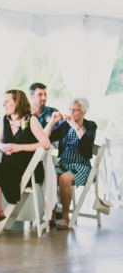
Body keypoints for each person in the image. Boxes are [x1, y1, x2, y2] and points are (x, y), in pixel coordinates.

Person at [0, 90, 51, 238]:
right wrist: (2, 147)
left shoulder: (31, 120)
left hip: (26, 169)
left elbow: (46, 144)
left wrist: (19, 147)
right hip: (10, 166)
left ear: (17, 102)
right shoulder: (4, 119)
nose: (3, 104)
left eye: (7, 101)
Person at [45, 98, 97, 230]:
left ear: (83, 112)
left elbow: (87, 143)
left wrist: (75, 125)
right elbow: (46, 138)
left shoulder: (90, 125)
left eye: (75, 110)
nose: (71, 112)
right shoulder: (64, 125)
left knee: (64, 179)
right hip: (64, 163)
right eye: (70, 109)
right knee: (51, 176)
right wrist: (52, 123)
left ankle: (65, 216)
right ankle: (50, 213)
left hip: (81, 165)